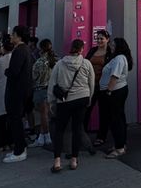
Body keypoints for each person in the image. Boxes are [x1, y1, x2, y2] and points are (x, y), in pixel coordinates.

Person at [48, 39, 95, 172]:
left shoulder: (60, 64)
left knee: (60, 130)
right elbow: (91, 83)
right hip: (82, 98)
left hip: (64, 101)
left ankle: (57, 161)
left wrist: (51, 101)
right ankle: (74, 159)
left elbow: (52, 84)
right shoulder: (86, 63)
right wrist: (89, 99)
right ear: (81, 49)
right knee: (77, 129)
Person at [3, 26, 33, 163]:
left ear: (19, 36)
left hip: (17, 91)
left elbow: (14, 71)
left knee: (15, 120)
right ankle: (20, 147)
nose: (11, 37)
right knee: (16, 120)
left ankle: (19, 150)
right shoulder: (25, 49)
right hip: (21, 90)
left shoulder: (20, 51)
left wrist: (7, 71)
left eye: (13, 34)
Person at [101, 37, 133, 158]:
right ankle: (120, 144)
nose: (110, 46)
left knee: (116, 119)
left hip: (115, 91)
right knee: (119, 118)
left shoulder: (119, 58)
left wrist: (108, 91)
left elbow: (115, 76)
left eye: (113, 45)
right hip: (118, 90)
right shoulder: (118, 58)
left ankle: (119, 147)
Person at [86, 29, 113, 146]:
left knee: (104, 111)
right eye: (97, 38)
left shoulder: (110, 53)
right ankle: (82, 134)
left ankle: (101, 136)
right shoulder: (92, 50)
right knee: (87, 109)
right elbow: (86, 63)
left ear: (107, 39)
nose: (99, 40)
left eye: (101, 38)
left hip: (103, 86)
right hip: (90, 85)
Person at [30, 39, 56, 148]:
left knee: (43, 114)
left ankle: (46, 136)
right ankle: (42, 137)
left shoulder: (39, 62)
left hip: (40, 89)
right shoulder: (55, 60)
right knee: (45, 114)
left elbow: (34, 77)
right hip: (51, 89)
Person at [0, 38, 13, 151]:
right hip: (12, 91)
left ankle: (0, 144)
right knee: (11, 118)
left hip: (0, 90)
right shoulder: (15, 59)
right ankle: (10, 142)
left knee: (0, 119)